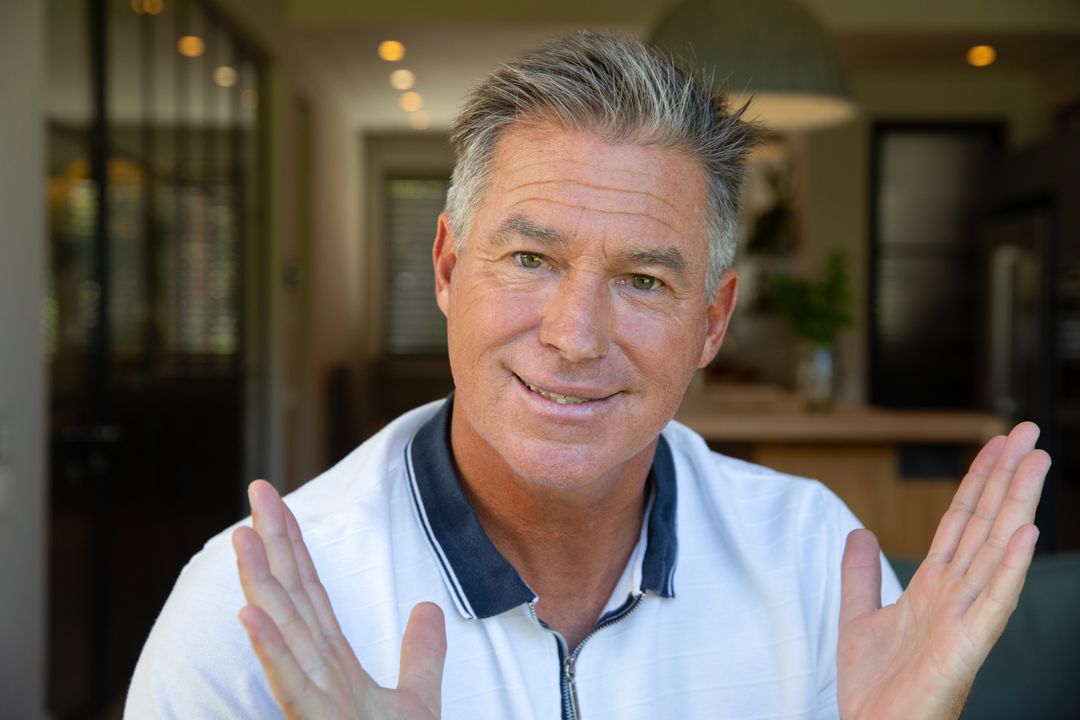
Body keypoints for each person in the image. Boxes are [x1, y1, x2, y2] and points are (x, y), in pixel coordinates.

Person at [125, 33, 1048, 719]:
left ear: (712, 321)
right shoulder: (259, 608)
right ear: (447, 268)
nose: (574, 337)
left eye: (644, 280)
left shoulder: (815, 564)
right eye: (530, 259)